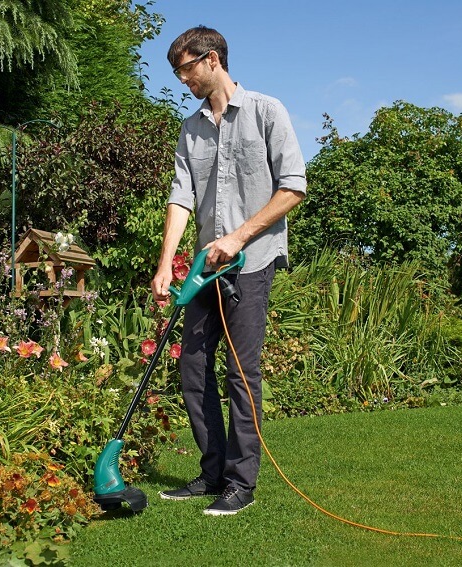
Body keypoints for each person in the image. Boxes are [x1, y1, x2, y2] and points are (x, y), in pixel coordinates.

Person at [151, 26, 307, 516]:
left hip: (251, 263)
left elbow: (294, 188)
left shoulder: (266, 111)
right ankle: (212, 471)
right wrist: (164, 263)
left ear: (212, 59)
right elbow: (181, 196)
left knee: (242, 374)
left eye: (186, 68)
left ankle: (242, 483)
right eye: (178, 72)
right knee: (193, 369)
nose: (183, 80)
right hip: (203, 269)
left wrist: (239, 237)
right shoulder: (190, 127)